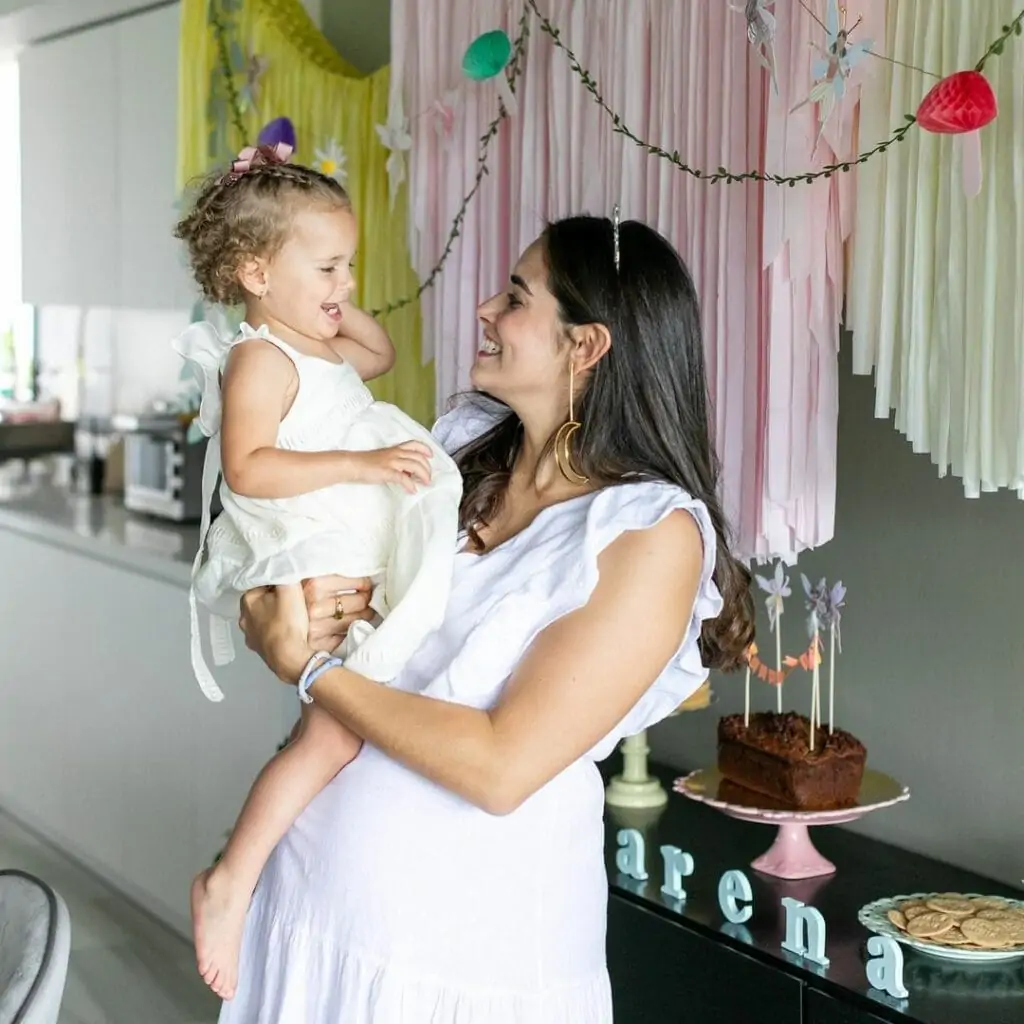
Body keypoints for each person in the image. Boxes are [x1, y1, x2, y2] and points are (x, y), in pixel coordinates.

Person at [227, 212, 754, 1022]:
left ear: (585, 346)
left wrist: (310, 667)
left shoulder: (648, 534)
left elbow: (501, 768)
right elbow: (348, 602)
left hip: (462, 950)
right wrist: (297, 609)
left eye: (515, 296)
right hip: (313, 905)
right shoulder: (462, 450)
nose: (485, 310)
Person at [171, 142, 462, 1000]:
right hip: (313, 550)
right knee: (339, 727)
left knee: (352, 723)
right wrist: (361, 465)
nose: (343, 283)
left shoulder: (313, 343)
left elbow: (376, 357)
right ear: (256, 273)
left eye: (350, 264)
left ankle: (265, 871)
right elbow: (252, 467)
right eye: (328, 265)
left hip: (349, 545)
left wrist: (328, 296)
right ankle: (229, 878)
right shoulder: (259, 358)